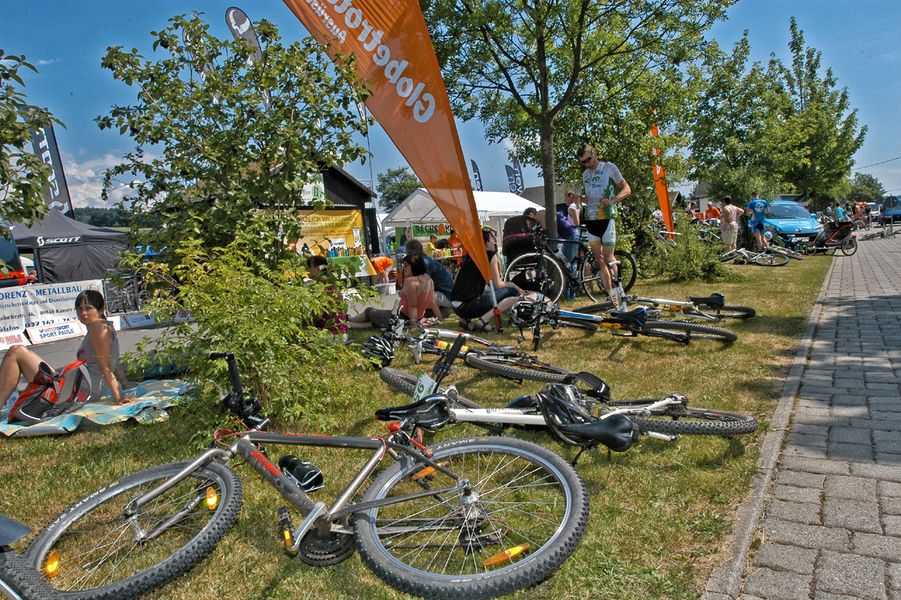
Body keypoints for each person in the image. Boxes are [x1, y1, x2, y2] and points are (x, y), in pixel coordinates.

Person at [0, 289, 135, 409]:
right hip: (77, 386)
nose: (83, 313)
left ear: (100, 310)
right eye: (79, 309)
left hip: (80, 391)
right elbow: (113, 360)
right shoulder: (101, 327)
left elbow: (105, 367)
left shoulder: (98, 327)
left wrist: (119, 397)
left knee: (16, 352)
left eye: (88, 308)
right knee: (17, 351)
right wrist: (124, 383)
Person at [577, 143, 632, 308]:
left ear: (594, 154)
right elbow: (589, 198)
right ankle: (612, 298)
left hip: (607, 217)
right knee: (599, 260)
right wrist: (578, 199)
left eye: (588, 159)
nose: (587, 164)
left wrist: (613, 200)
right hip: (591, 219)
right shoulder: (585, 174)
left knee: (608, 258)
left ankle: (620, 293)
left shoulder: (609, 167)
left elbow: (627, 189)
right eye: (583, 162)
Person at [451, 226, 527, 331]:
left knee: (489, 292)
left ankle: (465, 320)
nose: (494, 242)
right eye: (492, 240)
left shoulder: (472, 254)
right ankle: (484, 320)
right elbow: (498, 284)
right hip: (467, 307)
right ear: (486, 243)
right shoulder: (490, 255)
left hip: (456, 307)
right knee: (512, 291)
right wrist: (514, 285)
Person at [348, 253, 442, 329]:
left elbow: (413, 306)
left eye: (406, 265)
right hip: (415, 318)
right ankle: (349, 324)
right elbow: (433, 303)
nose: (403, 268)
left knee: (368, 311)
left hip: (401, 318)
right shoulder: (429, 279)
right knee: (373, 322)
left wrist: (413, 326)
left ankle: (349, 321)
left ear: (414, 265)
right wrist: (440, 319)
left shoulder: (411, 282)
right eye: (403, 265)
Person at [403, 238, 455, 317]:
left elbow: (423, 287)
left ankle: (423, 315)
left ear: (410, 253)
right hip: (446, 295)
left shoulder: (424, 263)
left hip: (447, 297)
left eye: (407, 253)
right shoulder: (425, 260)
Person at [306, 255, 348, 336]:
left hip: (332, 334)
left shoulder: (324, 287)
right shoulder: (330, 283)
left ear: (318, 268)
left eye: (309, 266)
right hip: (339, 331)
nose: (306, 269)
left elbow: (317, 316)